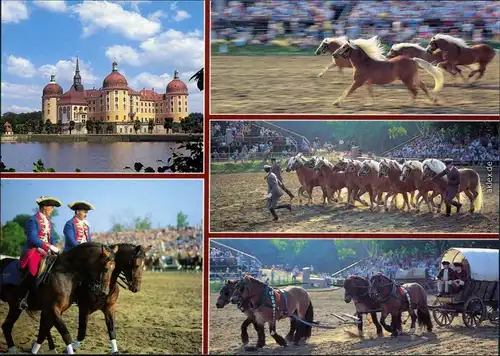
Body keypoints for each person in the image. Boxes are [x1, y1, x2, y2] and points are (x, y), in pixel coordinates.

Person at [18, 196, 62, 310]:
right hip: (33, 250)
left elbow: (51, 237)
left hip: (45, 251)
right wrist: (48, 246)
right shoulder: (33, 220)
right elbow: (32, 238)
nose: (52, 209)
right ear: (43, 207)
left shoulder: (48, 221)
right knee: (34, 268)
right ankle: (24, 297)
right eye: (51, 207)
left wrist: (54, 246)